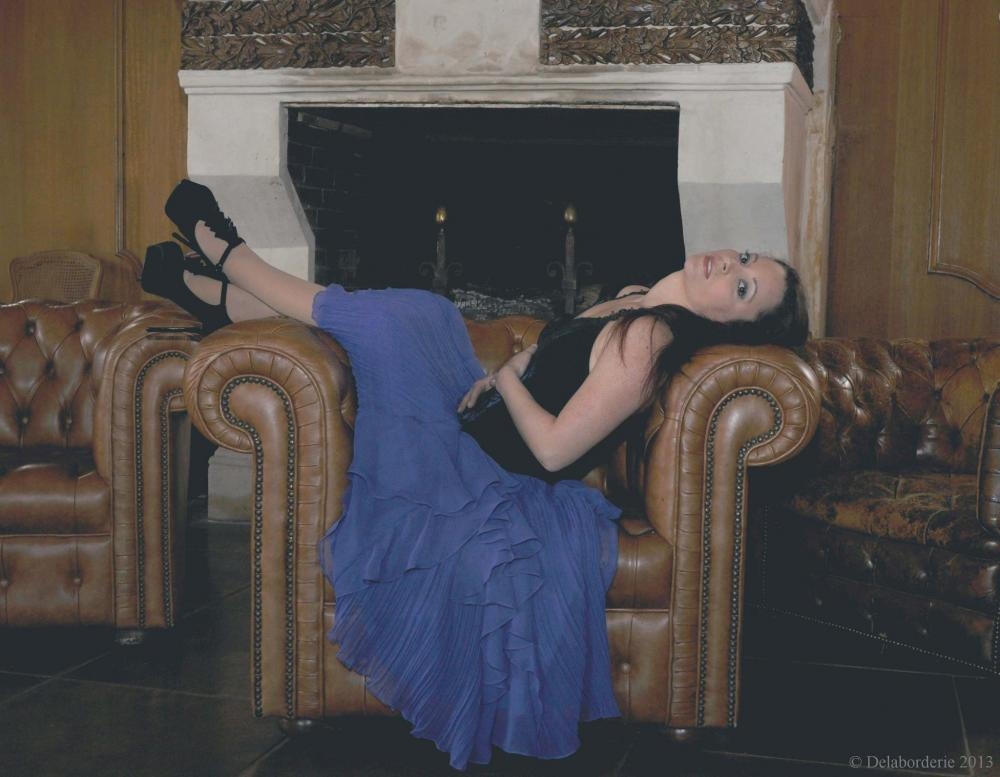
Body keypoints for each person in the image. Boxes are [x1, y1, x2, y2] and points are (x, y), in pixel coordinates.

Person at [142, 179, 809, 771]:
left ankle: (227, 257)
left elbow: (553, 451)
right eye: (747, 259)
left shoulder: (649, 340)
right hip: (473, 422)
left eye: (742, 288)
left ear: (730, 323)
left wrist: (506, 380)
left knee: (394, 320)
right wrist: (503, 376)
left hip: (481, 470)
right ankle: (207, 289)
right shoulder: (633, 301)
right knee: (423, 314)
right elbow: (550, 365)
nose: (731, 265)